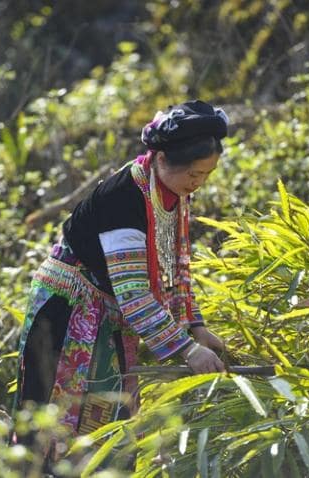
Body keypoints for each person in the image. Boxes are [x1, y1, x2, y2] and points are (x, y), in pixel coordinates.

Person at [14, 100, 229, 438]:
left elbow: (177, 264)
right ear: (161, 159)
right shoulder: (125, 198)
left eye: (205, 175)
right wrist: (187, 349)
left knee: (110, 422)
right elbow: (133, 293)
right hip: (70, 311)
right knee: (55, 422)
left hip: (111, 315)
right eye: (193, 173)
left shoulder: (173, 192)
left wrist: (196, 325)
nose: (198, 183)